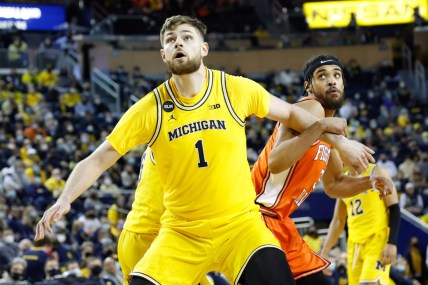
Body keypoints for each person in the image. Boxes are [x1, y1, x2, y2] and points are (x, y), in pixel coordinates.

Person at [35, 15, 374, 285]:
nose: (178, 42)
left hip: (240, 226)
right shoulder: (148, 109)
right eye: (170, 40)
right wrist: (65, 199)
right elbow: (98, 158)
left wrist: (339, 140)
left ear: (204, 48)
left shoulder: (235, 89)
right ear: (164, 55)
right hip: (182, 232)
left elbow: (294, 115)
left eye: (186, 37)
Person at [251, 54, 391, 285]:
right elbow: (275, 162)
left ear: (344, 83)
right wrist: (323, 128)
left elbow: (335, 185)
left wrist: (369, 182)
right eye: (322, 76)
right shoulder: (312, 108)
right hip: (255, 215)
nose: (332, 80)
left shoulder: (330, 134)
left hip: (279, 221)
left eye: (337, 75)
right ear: (309, 86)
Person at [320, 164, 400, 285]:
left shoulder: (375, 171)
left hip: (376, 239)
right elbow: (338, 221)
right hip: (354, 244)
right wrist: (324, 252)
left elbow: (394, 207)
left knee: (371, 283)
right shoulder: (342, 182)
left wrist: (392, 243)